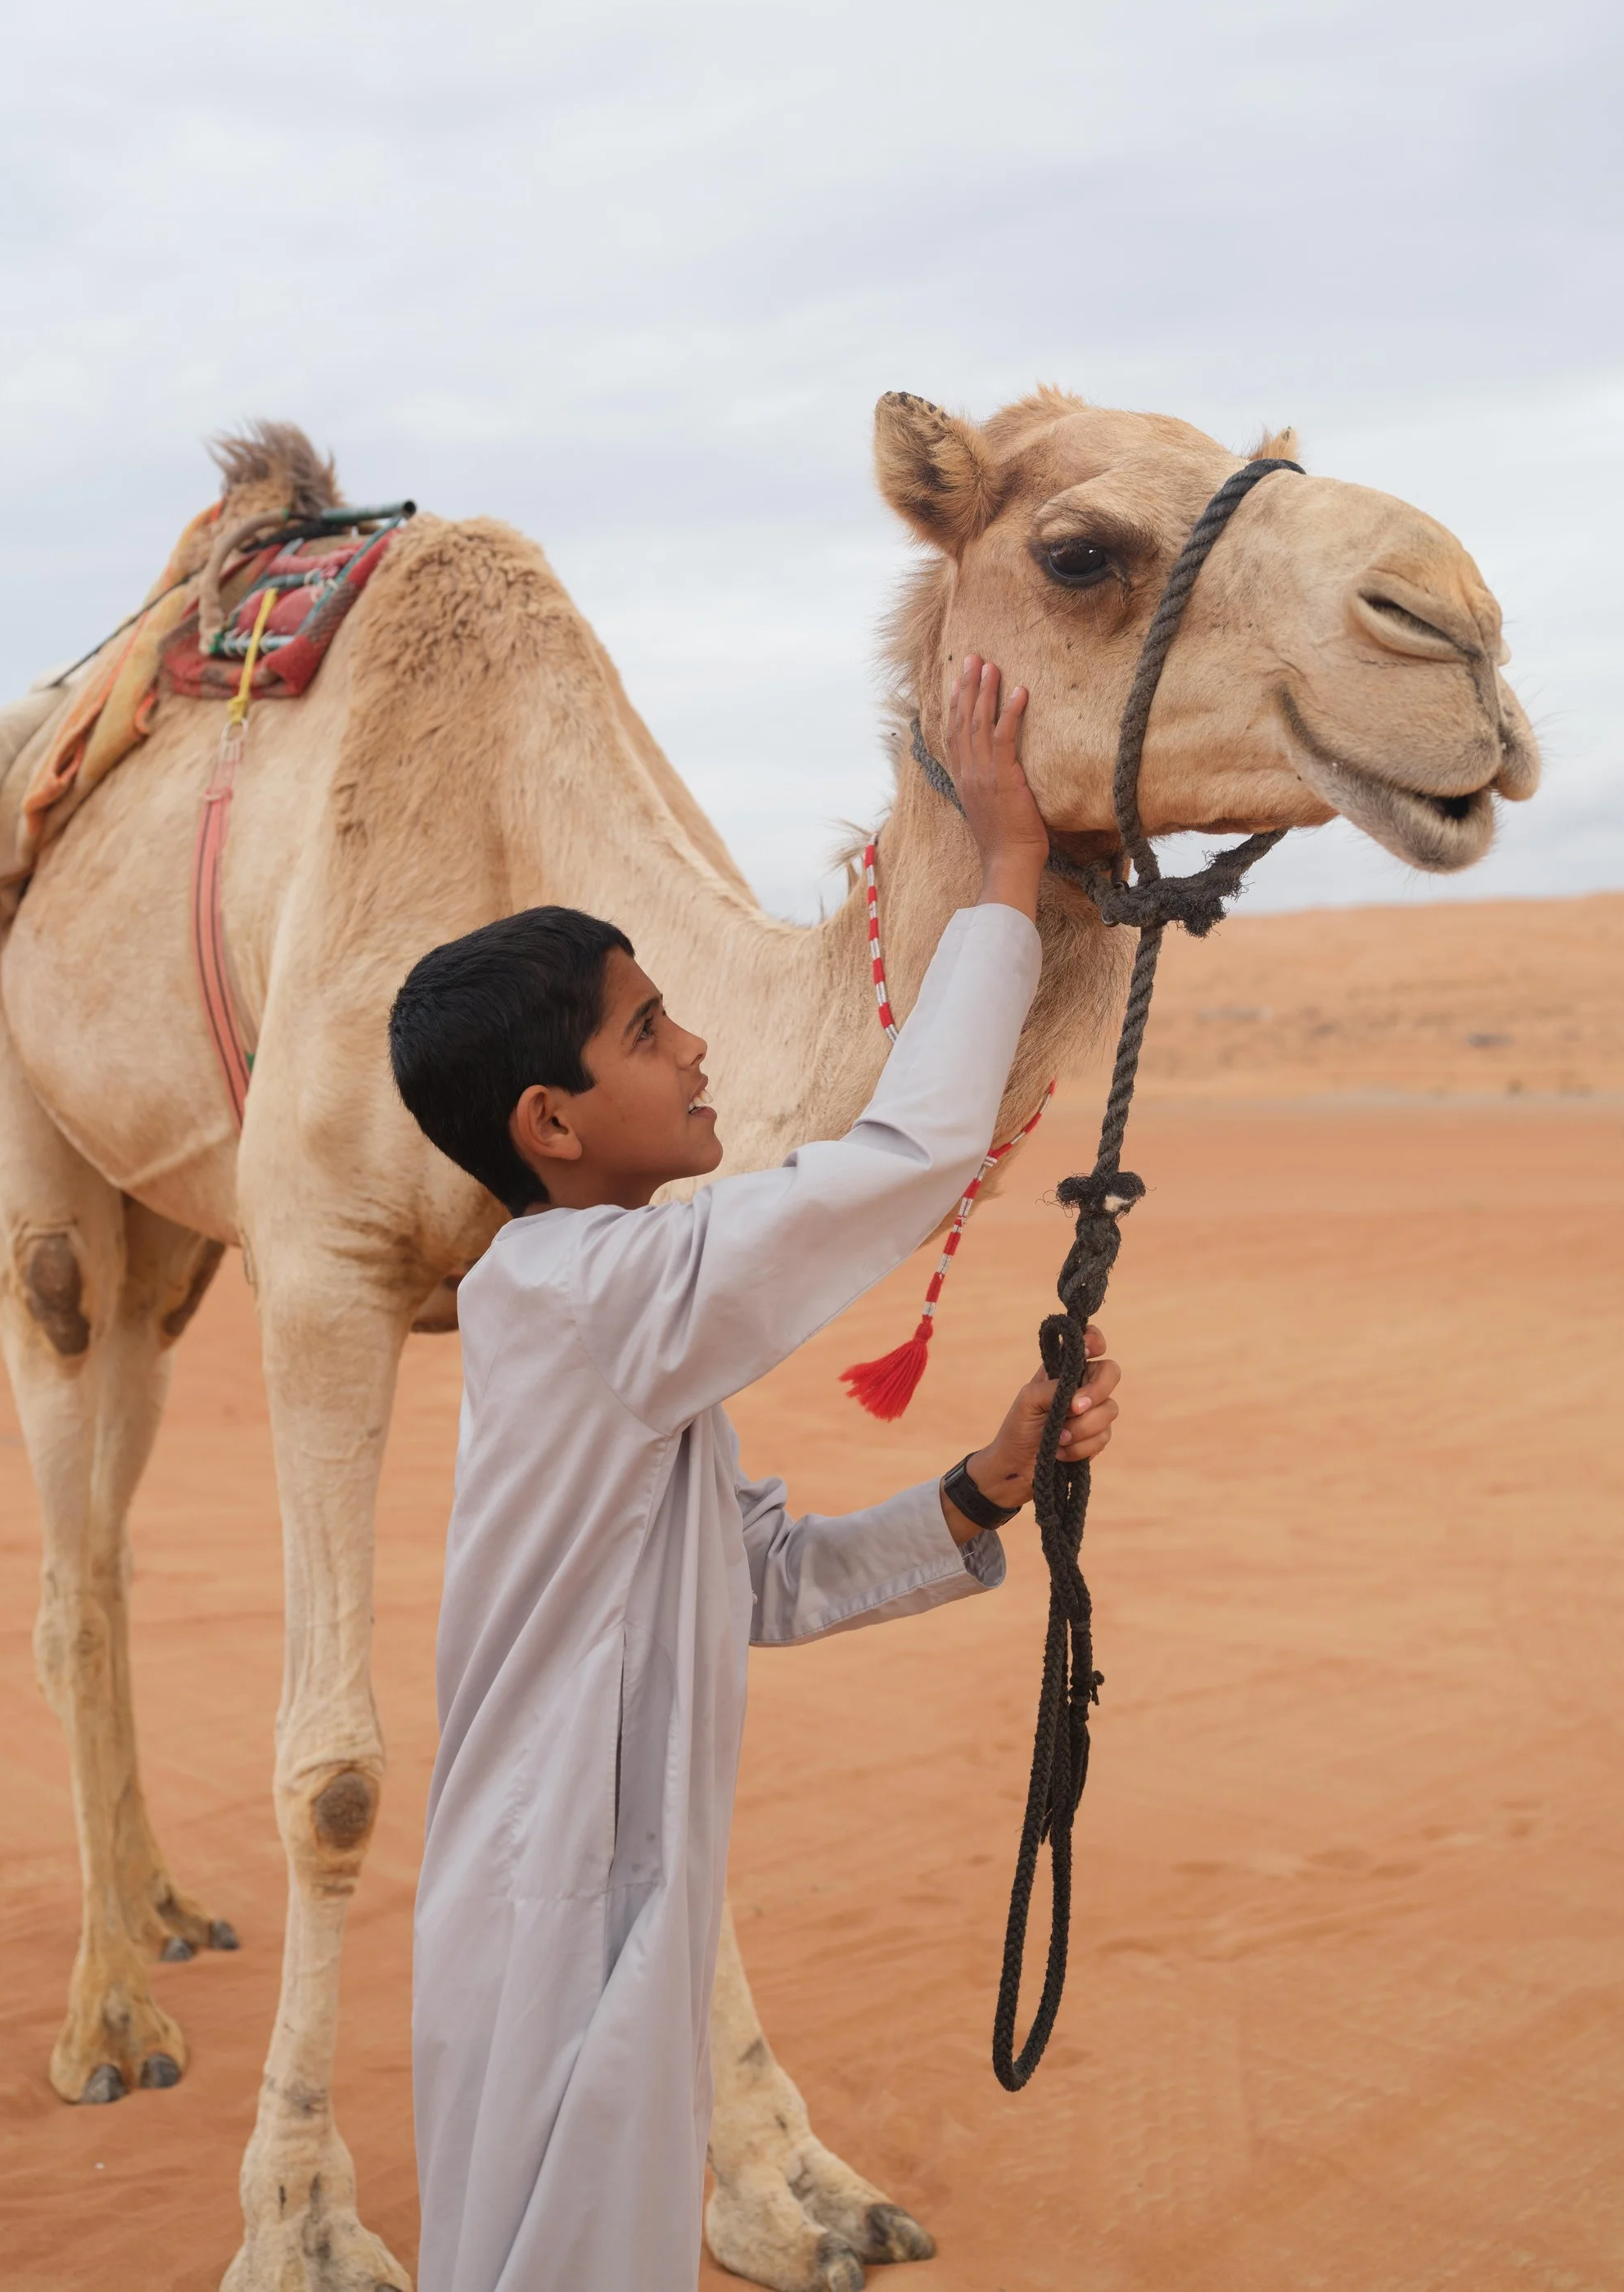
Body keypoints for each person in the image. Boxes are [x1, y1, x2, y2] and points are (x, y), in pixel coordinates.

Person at [386, 656, 1122, 2292]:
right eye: (647, 1029)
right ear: (550, 1122)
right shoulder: (601, 1299)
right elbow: (902, 1157)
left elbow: (757, 1580)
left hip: (602, 1899)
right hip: (553, 1911)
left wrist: (984, 1485)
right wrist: (1005, 867)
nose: (694, 1044)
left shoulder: (606, 1310)